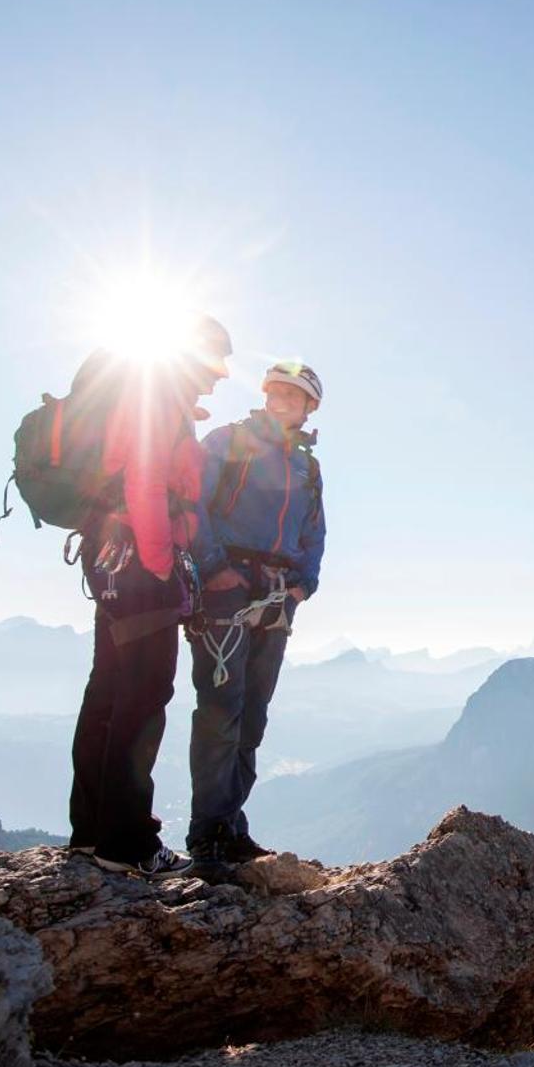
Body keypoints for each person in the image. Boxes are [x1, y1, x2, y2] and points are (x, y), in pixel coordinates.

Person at [67, 314, 237, 877]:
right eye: (215, 363)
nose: (218, 378)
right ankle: (128, 844)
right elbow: (146, 483)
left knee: (110, 691)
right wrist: (165, 569)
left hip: (111, 558)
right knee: (142, 697)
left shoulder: (152, 400)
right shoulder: (158, 403)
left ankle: (90, 834)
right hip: (141, 564)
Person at [185, 360, 326, 870]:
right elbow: (190, 503)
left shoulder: (307, 466)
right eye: (278, 391)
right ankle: (208, 834)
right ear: (266, 395)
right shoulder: (229, 441)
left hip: (276, 596)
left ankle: (231, 825)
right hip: (227, 590)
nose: (285, 399)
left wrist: (302, 586)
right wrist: (213, 568)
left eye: (296, 394)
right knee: (222, 708)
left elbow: (314, 532)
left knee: (253, 716)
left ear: (310, 407)